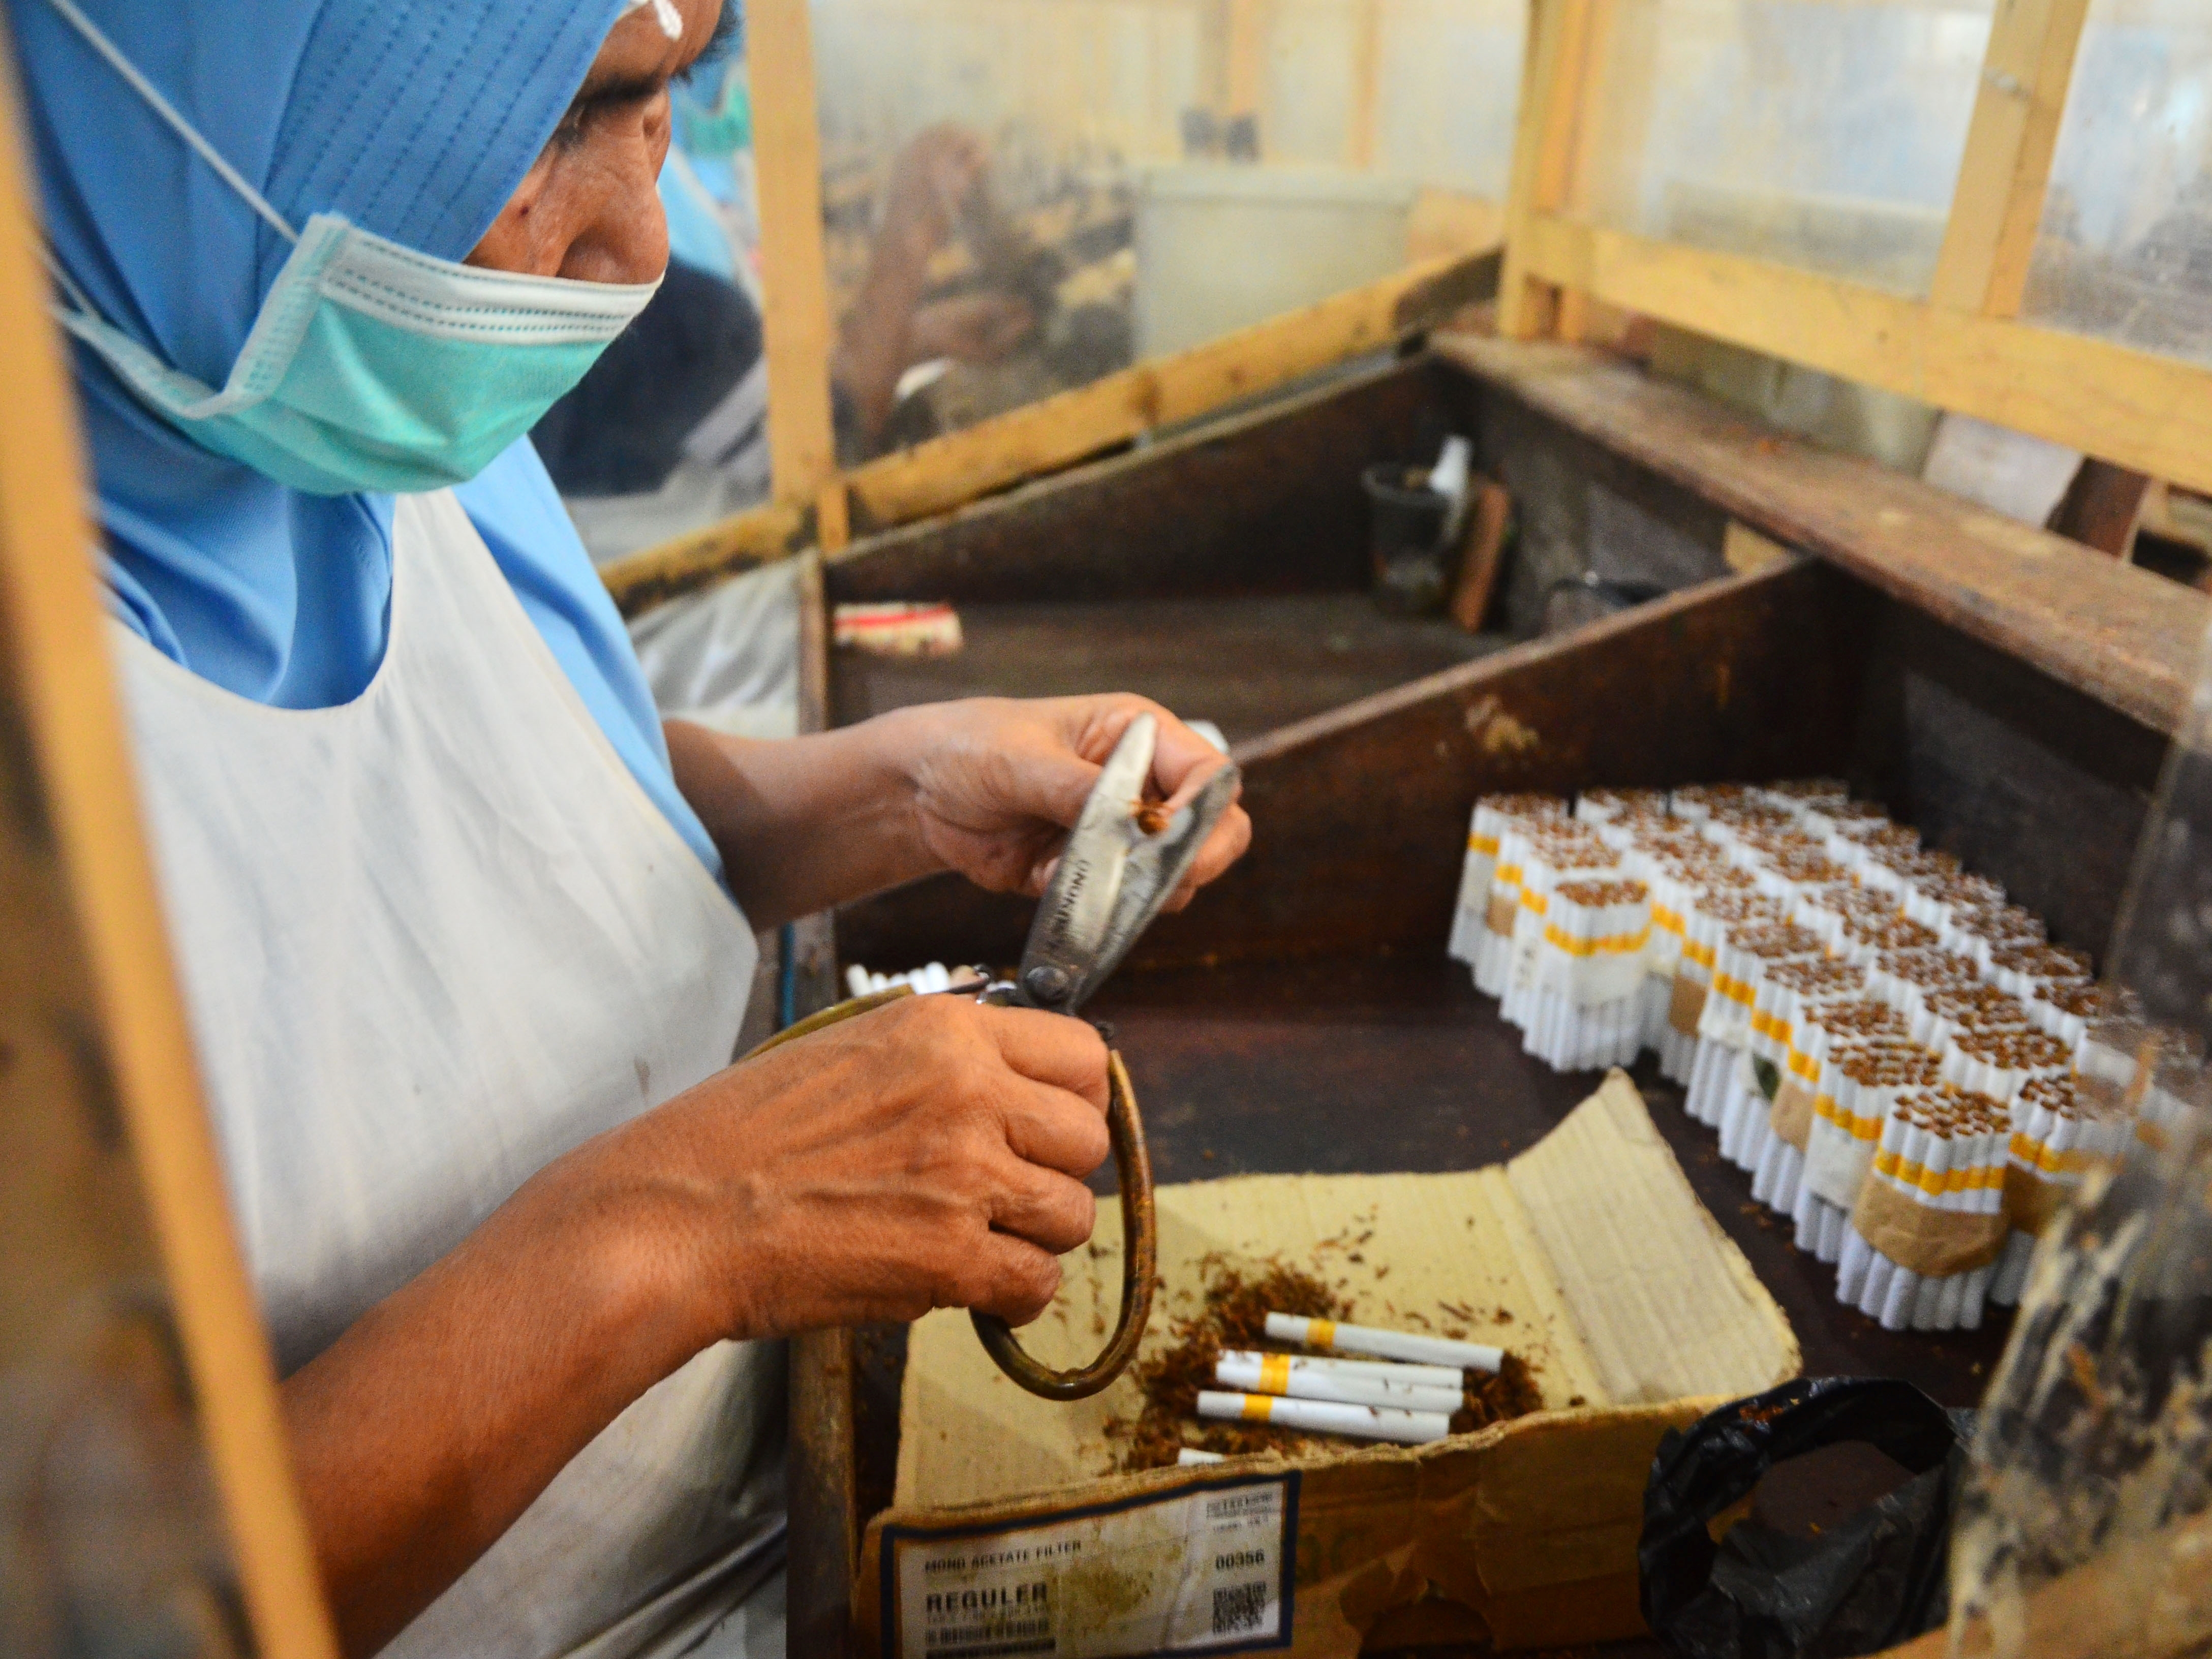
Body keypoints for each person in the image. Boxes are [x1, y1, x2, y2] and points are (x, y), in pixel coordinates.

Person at [14, 4, 1250, 1658]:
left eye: (661, 113)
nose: (641, 249)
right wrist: (699, 1218)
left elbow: (518, 819)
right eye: (545, 124)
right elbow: (108, 1616)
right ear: (181, 96)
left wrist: (893, 786)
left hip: (762, 1540)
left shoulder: (348, 399)